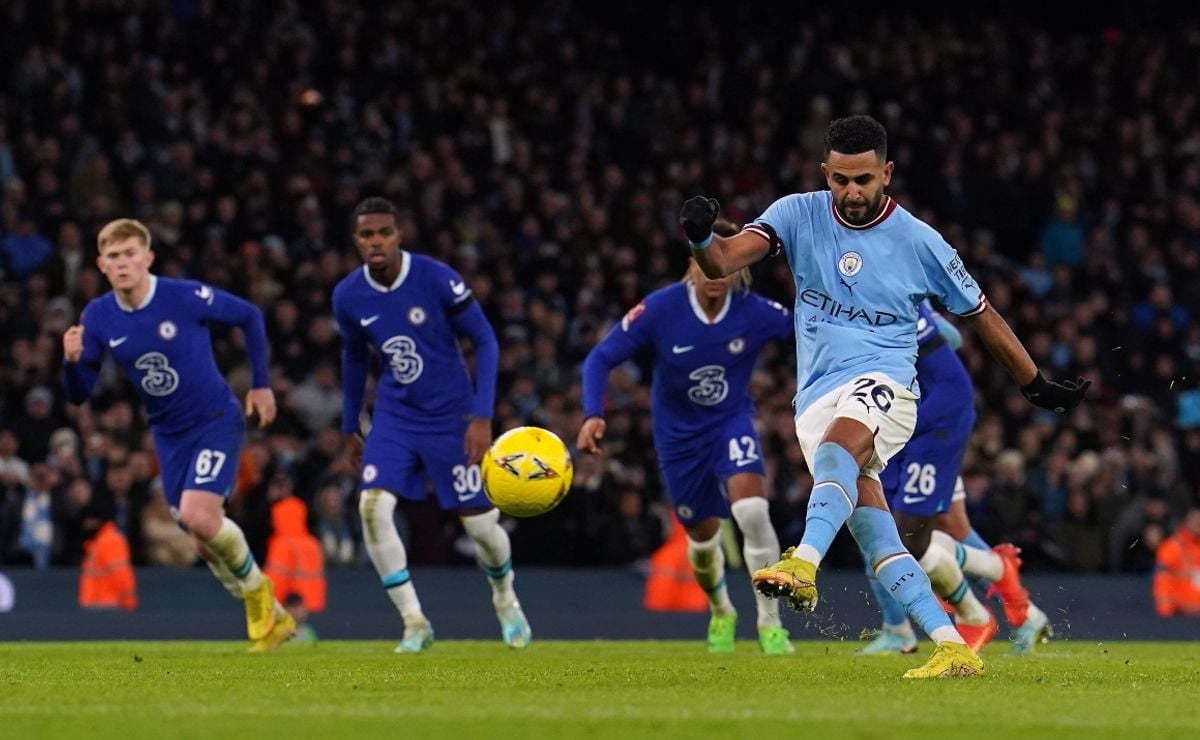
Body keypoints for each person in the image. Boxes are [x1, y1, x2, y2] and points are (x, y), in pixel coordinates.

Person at [679, 115, 1088, 678]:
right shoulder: (795, 213)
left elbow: (980, 313)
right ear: (826, 172)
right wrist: (702, 237)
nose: (852, 192)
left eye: (864, 180)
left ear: (886, 173)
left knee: (835, 455)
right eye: (841, 180)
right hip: (816, 395)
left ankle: (803, 560)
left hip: (886, 382)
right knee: (880, 538)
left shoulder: (921, 241)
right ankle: (951, 648)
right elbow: (723, 261)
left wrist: (1033, 382)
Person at [62, 218, 293, 651]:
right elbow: (79, 394)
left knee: (200, 516)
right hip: (168, 437)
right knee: (202, 541)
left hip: (214, 419)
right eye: (114, 256)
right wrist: (72, 361)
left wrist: (260, 384)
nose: (123, 263)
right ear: (102, 266)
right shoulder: (98, 315)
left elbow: (249, 315)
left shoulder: (182, 296)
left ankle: (259, 597)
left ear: (148, 258)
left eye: (131, 254)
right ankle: (275, 617)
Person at [579, 219, 796, 654]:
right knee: (702, 539)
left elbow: (813, 336)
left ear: (738, 266)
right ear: (692, 263)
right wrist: (591, 414)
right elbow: (600, 358)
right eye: (706, 263)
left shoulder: (757, 312)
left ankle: (770, 624)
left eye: (725, 265)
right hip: (678, 437)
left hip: (731, 422)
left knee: (753, 511)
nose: (716, 275)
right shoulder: (660, 309)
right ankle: (720, 610)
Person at [334, 196, 527, 652]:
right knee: (372, 508)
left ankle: (506, 599)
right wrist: (349, 425)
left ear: (399, 235)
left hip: (452, 418)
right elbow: (354, 356)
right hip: (395, 418)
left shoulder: (437, 278)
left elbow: (485, 340)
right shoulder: (348, 295)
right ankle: (414, 621)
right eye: (366, 235)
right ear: (356, 241)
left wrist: (481, 416)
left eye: (384, 232)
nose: (375, 241)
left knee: (480, 527)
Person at [859, 300, 1051, 655]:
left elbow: (950, 339)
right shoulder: (846, 290)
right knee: (927, 526)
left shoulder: (888, 286)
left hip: (923, 423)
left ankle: (1007, 608)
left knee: (909, 530)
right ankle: (1019, 605)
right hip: (901, 420)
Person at [1153, 506, 1200, 617]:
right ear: (1185, 522)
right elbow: (1162, 579)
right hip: (1181, 614)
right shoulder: (1172, 548)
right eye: (1195, 520)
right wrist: (1165, 610)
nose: (1198, 524)